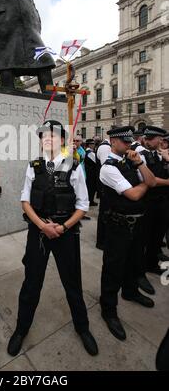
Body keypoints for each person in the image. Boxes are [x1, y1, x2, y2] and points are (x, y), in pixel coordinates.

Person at [7, 120, 98, 357]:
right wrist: (42, 226)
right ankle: (21, 329)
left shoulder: (74, 166)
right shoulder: (33, 166)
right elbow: (25, 201)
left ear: (62, 140)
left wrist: (62, 227)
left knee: (72, 283)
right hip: (38, 233)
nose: (47, 139)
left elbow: (83, 205)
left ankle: (83, 328)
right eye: (43, 136)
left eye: (53, 135)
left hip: (65, 233)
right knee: (31, 283)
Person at [99, 126, 156, 342]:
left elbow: (150, 182)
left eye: (131, 142)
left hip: (137, 223)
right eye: (125, 142)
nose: (129, 145)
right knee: (113, 268)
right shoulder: (108, 167)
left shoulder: (133, 161)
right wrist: (144, 184)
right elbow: (133, 194)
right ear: (113, 142)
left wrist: (140, 164)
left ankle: (130, 291)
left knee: (134, 262)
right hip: (118, 226)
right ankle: (109, 309)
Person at [138, 126, 169, 278]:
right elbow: (150, 180)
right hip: (148, 202)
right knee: (145, 237)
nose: (162, 141)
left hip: (161, 202)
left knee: (157, 237)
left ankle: (151, 264)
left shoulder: (160, 155)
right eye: (147, 138)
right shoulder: (141, 155)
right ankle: (140, 270)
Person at [95, 137, 111, 250]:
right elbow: (107, 166)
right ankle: (101, 241)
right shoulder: (105, 147)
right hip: (106, 185)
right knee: (105, 213)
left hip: (108, 185)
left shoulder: (106, 147)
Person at [84, 139, 97, 206]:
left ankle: (90, 200)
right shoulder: (90, 153)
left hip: (88, 172)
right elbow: (96, 162)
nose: (94, 145)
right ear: (90, 145)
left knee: (89, 187)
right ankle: (90, 201)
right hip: (91, 173)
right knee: (91, 187)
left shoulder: (87, 152)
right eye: (93, 144)